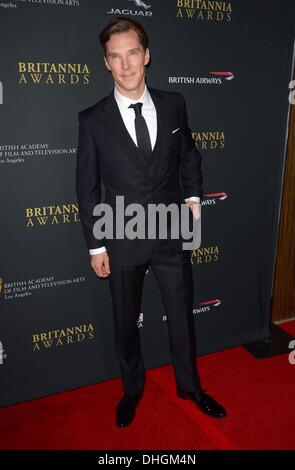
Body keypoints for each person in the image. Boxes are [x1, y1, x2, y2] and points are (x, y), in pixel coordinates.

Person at [76, 17, 226, 427]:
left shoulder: (174, 103)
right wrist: (96, 245)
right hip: (121, 233)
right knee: (126, 323)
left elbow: (190, 155)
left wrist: (193, 199)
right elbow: (86, 187)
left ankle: (190, 386)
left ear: (147, 55)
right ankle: (132, 389)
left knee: (181, 315)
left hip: (171, 229)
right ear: (106, 63)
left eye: (132, 54)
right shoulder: (92, 120)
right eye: (115, 57)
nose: (125, 66)